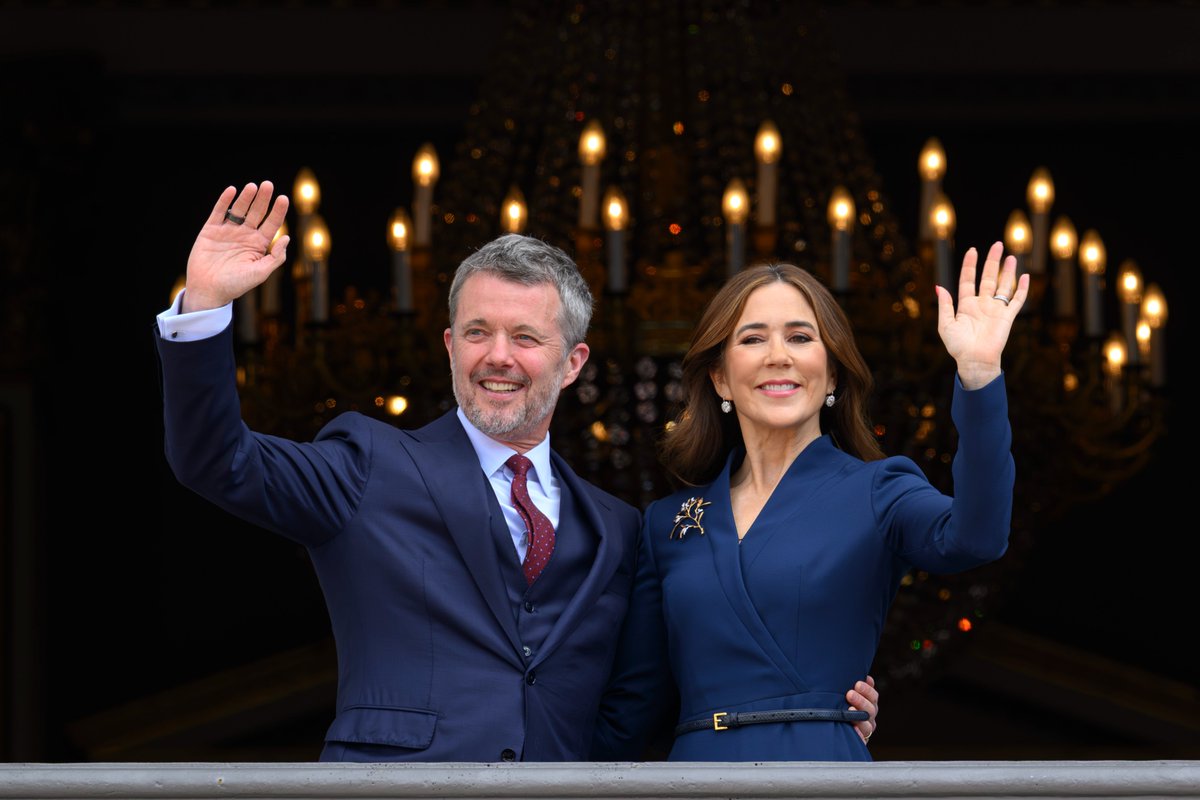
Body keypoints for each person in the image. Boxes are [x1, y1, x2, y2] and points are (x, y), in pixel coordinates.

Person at [155, 180, 880, 761]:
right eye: (477, 332)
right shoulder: (366, 465)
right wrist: (206, 308)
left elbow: (654, 690)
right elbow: (217, 461)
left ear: (572, 363)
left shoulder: (621, 528)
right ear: (448, 345)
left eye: (526, 336)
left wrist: (816, 710)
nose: (497, 356)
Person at [594, 245, 1025, 762]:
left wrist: (979, 376)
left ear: (834, 373)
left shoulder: (879, 491)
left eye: (801, 337)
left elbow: (977, 537)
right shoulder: (668, 523)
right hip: (696, 781)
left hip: (820, 770)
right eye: (753, 338)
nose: (779, 355)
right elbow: (636, 706)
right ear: (720, 377)